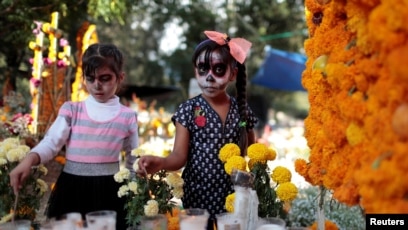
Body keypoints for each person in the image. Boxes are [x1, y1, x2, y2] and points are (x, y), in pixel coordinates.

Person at [136, 31, 258, 230]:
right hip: (197, 198)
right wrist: (161, 162)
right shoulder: (188, 110)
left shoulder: (242, 111)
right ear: (195, 70)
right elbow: (178, 157)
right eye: (203, 69)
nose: (209, 77)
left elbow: (253, 155)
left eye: (218, 69)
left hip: (234, 199)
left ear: (233, 74)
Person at [10, 43, 138, 230]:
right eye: (90, 78)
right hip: (71, 191)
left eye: (105, 78)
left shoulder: (127, 116)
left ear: (120, 77)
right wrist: (29, 160)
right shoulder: (72, 110)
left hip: (110, 193)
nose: (97, 85)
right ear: (83, 78)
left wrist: (135, 196)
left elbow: (133, 160)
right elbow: (51, 143)